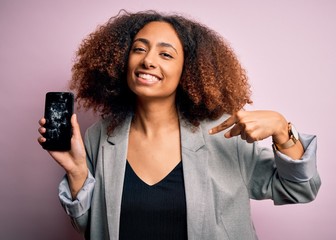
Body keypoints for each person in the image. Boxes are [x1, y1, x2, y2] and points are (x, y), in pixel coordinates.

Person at [38, 10, 321, 240]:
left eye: (165, 54)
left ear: (189, 70)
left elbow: (298, 189)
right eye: (139, 49)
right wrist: (76, 171)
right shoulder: (100, 136)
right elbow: (90, 227)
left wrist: (283, 130)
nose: (148, 60)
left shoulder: (223, 133)